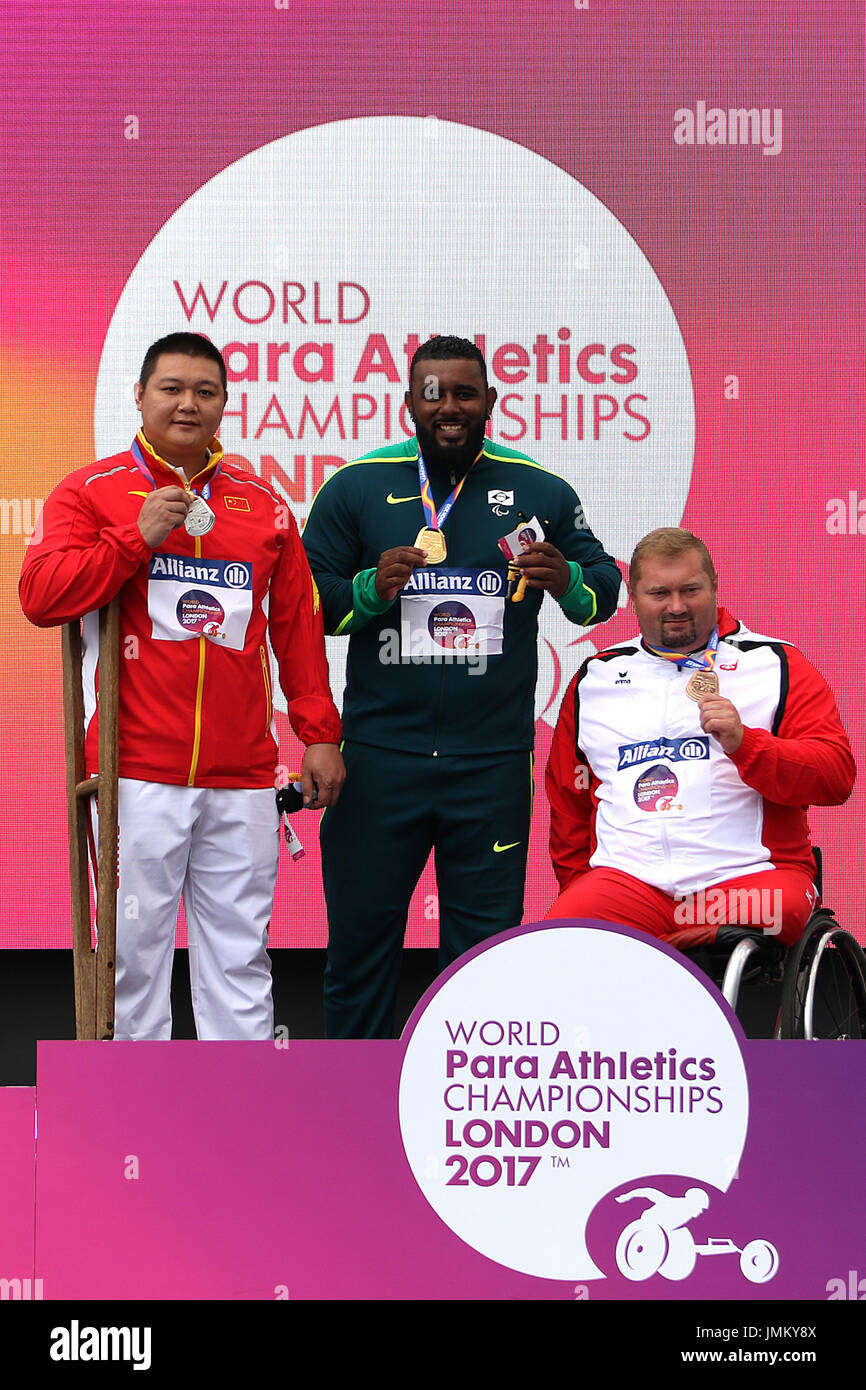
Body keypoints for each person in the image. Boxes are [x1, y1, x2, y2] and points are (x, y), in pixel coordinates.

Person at [20, 332, 345, 1040]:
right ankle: (140, 1120)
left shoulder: (263, 505)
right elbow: (41, 597)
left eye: (205, 391)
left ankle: (241, 1113)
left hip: (243, 776)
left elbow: (297, 628)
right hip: (136, 769)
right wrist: (132, 539)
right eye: (171, 388)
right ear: (139, 396)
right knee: (134, 961)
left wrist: (319, 734)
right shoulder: (92, 491)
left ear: (225, 404)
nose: (187, 403)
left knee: (239, 957)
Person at [302, 333, 621, 1037]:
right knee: (359, 952)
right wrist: (367, 589)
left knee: (482, 958)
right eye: (433, 393)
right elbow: (303, 604)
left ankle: (459, 1116)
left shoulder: (540, 490)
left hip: (491, 766)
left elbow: (604, 586)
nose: (449, 407)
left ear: (491, 402)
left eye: (465, 393)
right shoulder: (356, 486)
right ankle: (350, 1111)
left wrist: (567, 579)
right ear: (410, 402)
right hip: (379, 761)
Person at [545, 527, 855, 943]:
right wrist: (579, 886)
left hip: (744, 881)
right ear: (633, 598)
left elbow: (835, 777)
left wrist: (747, 744)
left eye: (690, 590)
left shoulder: (777, 663)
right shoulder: (594, 677)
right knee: (561, 932)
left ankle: (685, 953)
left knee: (781, 912)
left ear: (714, 586)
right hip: (631, 886)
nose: (676, 606)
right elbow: (570, 801)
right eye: (659, 594)